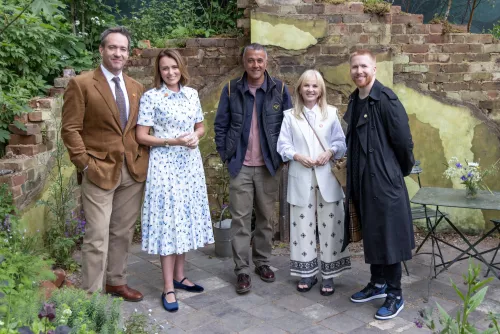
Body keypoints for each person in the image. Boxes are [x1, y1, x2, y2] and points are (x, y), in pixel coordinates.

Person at [61, 27, 149, 301]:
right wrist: (84, 164)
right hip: (98, 170)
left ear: (128, 54)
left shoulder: (136, 87)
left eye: (123, 49)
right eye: (113, 48)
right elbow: (70, 129)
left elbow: (138, 129)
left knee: (123, 232)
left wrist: (141, 159)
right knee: (97, 236)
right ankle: (90, 296)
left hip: (131, 172)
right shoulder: (82, 84)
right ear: (101, 50)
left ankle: (116, 281)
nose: (118, 53)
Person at [136, 49, 214, 312]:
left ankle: (180, 277)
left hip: (189, 165)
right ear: (158, 71)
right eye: (165, 68)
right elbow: (142, 136)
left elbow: (200, 125)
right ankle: (168, 286)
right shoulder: (151, 97)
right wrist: (172, 141)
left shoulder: (191, 94)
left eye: (174, 67)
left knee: (184, 218)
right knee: (168, 222)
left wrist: (196, 136)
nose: (170, 72)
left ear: (182, 67)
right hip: (164, 166)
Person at [214, 43, 293, 294]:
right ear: (244, 62)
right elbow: (221, 126)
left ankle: (262, 262)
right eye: (251, 60)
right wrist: (227, 155)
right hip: (241, 166)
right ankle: (242, 270)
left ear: (266, 63)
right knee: (239, 220)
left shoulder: (279, 89)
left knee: (265, 220)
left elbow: (289, 126)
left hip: (269, 166)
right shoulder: (231, 90)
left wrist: (281, 158)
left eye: (260, 60)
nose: (255, 65)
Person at [342, 50, 415, 320]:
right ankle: (378, 283)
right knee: (373, 232)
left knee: (389, 236)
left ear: (374, 68)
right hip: (362, 181)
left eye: (364, 66)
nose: (359, 71)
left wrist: (396, 172)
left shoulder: (386, 100)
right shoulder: (355, 100)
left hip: (384, 182)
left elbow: (404, 143)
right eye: (354, 67)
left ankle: (395, 293)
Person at [277, 70, 351, 296]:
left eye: (315, 86)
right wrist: (298, 156)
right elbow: (283, 146)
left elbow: (341, 143)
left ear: (321, 90)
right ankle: (306, 273)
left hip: (327, 176)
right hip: (301, 175)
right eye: (306, 85)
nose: (310, 89)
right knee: (302, 226)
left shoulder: (331, 113)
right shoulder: (289, 115)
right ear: (299, 88)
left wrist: (329, 152)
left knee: (331, 226)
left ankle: (329, 275)